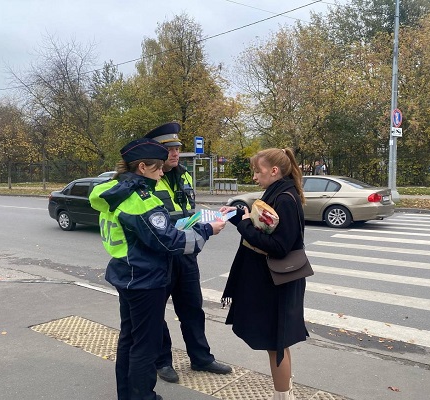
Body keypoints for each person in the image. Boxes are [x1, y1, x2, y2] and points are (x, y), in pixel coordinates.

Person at [89, 137, 226, 400]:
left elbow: (153, 232)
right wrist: (208, 229)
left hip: (126, 273)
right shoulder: (140, 200)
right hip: (145, 279)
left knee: (129, 340)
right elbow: (171, 242)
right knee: (146, 347)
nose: (162, 172)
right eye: (158, 168)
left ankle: (127, 395)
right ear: (142, 167)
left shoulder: (114, 190)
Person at [144, 122, 233, 383]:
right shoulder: (147, 180)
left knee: (193, 309)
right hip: (160, 258)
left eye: (177, 148)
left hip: (186, 255)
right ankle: (162, 361)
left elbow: (187, 212)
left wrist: (211, 217)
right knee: (156, 313)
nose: (174, 153)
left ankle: (201, 358)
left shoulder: (184, 175)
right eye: (168, 148)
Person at [219, 148, 308, 400]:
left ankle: (283, 397)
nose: (255, 177)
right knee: (279, 343)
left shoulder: (285, 198)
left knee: (276, 346)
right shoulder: (279, 192)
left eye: (258, 171)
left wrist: (244, 224)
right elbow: (265, 228)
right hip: (276, 281)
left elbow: (279, 247)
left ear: (274, 171)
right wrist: (240, 218)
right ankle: (285, 393)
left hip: (277, 282)